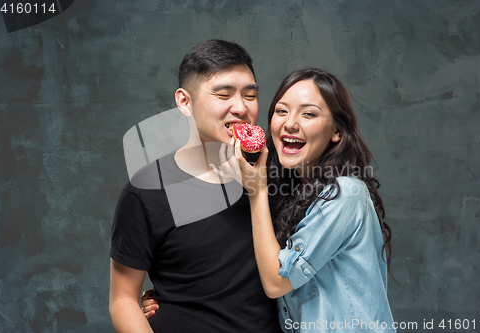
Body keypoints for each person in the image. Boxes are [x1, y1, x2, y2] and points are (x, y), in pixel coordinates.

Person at [145, 68, 396, 332]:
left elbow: (276, 282)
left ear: (337, 132)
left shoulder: (345, 194)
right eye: (281, 110)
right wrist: (172, 296)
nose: (290, 123)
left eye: (308, 113)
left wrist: (256, 191)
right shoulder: (290, 195)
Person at [109, 40, 281, 333]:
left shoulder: (280, 173)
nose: (240, 107)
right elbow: (123, 300)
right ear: (184, 102)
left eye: (250, 95)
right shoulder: (145, 192)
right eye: (223, 94)